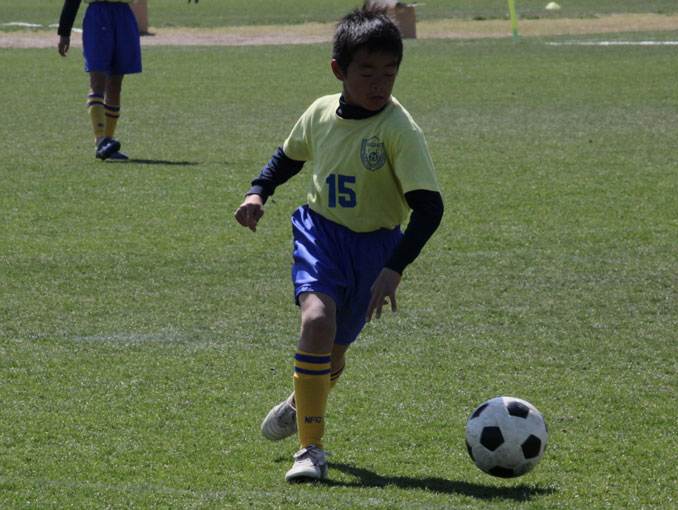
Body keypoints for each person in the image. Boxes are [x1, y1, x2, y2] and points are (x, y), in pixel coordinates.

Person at [234, 4, 444, 483]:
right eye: (366, 71)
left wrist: (393, 267)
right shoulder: (320, 112)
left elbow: (430, 209)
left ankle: (299, 402)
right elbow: (288, 157)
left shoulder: (399, 130)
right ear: (339, 71)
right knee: (316, 321)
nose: (379, 83)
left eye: (389, 71)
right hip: (321, 233)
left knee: (333, 354)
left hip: (375, 248)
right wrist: (257, 192)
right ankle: (310, 450)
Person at [57, 0, 198, 160]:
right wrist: (64, 32)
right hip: (98, 13)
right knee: (98, 82)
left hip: (124, 14)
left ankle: (108, 143)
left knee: (115, 85)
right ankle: (101, 140)